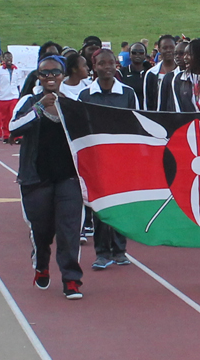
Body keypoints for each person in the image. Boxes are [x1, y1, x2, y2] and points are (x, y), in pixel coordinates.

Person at [9, 54, 85, 300]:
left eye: (55, 72)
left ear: (63, 75)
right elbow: (13, 129)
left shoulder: (73, 101)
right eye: (45, 73)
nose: (50, 77)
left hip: (69, 177)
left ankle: (71, 279)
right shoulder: (28, 101)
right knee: (42, 231)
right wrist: (40, 106)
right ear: (38, 77)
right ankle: (41, 262)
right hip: (36, 177)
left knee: (69, 229)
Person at [78, 49, 139, 270]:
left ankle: (120, 250)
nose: (107, 67)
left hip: (121, 159)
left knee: (121, 205)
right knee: (100, 207)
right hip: (97, 160)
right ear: (94, 67)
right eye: (102, 63)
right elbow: (81, 128)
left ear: (117, 65)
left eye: (111, 63)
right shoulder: (86, 95)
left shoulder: (128, 93)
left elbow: (136, 124)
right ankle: (102, 253)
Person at [170, 39, 200, 112]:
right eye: (184, 54)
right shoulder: (179, 79)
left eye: (189, 54)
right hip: (187, 122)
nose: (185, 58)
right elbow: (178, 108)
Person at [0, 52, 23, 142]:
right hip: (3, 97)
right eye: (7, 58)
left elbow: (18, 84)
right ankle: (6, 136)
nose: (9, 59)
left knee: (14, 116)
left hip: (14, 96)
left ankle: (17, 136)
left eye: (10, 57)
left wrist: (19, 94)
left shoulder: (17, 70)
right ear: (3, 59)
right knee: (5, 118)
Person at [143, 35, 176, 110]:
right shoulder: (151, 74)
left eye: (171, 47)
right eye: (165, 48)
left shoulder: (182, 73)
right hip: (157, 118)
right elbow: (148, 101)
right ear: (159, 49)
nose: (168, 50)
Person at [119, 42, 151, 109]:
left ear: (145, 55)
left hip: (148, 112)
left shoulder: (151, 73)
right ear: (129, 55)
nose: (137, 55)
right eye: (134, 52)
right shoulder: (122, 72)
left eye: (141, 52)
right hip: (129, 111)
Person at [157, 40, 188, 111]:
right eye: (175, 54)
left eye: (181, 53)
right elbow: (162, 104)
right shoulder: (169, 77)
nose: (177, 56)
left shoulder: (197, 77)